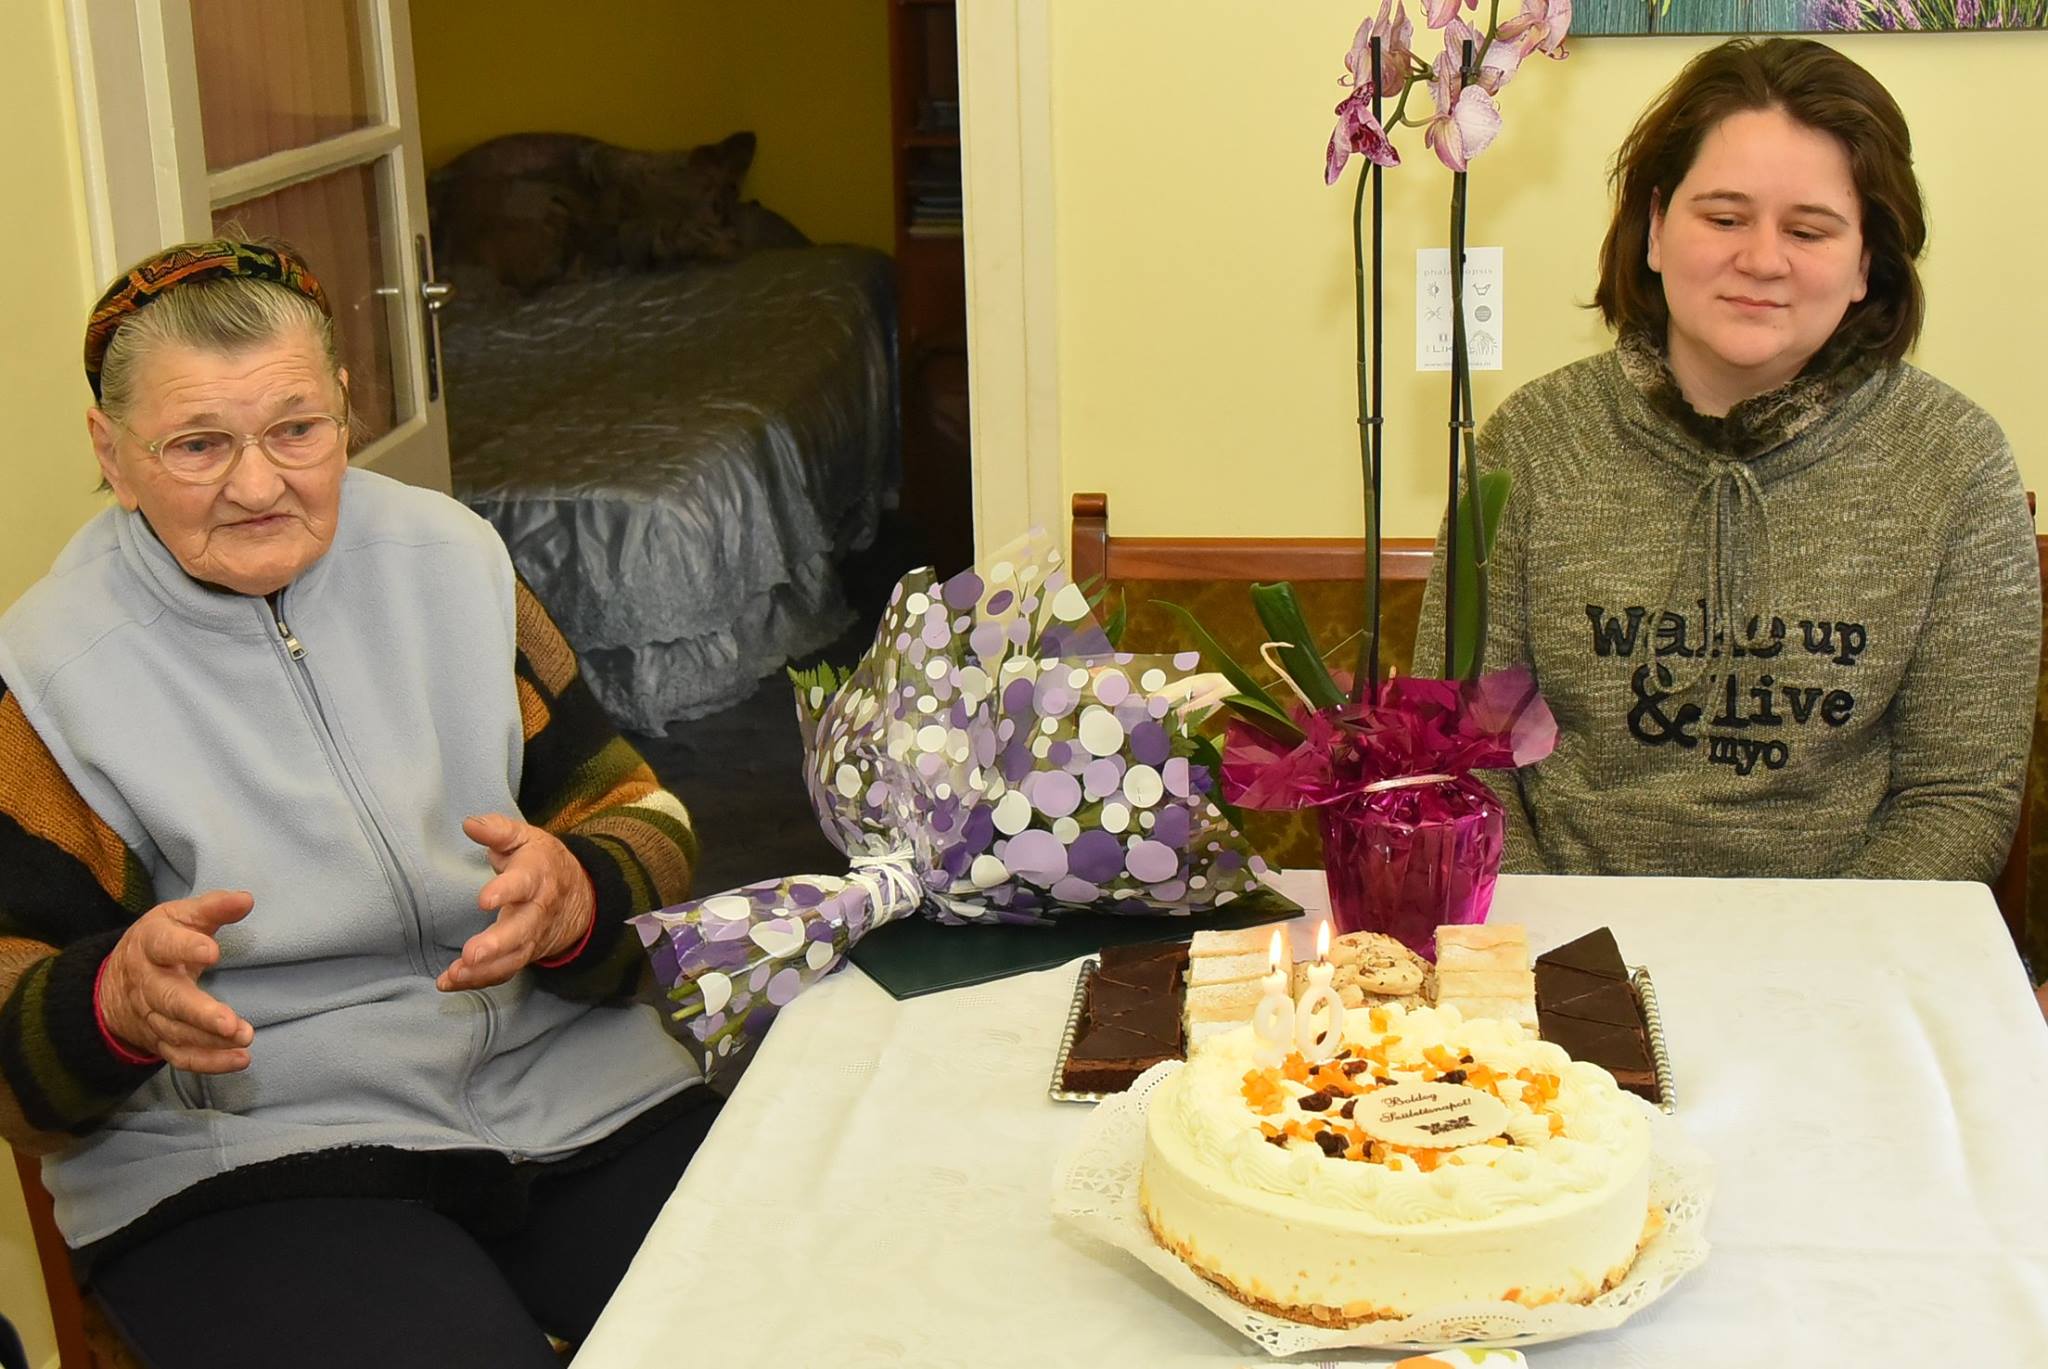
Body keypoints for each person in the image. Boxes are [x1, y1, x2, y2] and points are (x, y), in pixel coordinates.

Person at [0, 239, 711, 1368]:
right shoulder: (49, 674)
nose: (258, 485)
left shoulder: (453, 560)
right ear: (111, 453)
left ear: (344, 405)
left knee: (815, 1304)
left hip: (573, 1088)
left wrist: (578, 893)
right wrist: (112, 1003)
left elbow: (638, 811)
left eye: (296, 429)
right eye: (198, 444)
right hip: (255, 1158)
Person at [1417, 38, 2039, 886]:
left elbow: (1957, 797)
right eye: (1724, 218)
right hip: (1560, 938)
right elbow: (1461, 755)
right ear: (1654, 229)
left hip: (1847, 944)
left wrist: (1811, 952)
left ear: (1866, 263)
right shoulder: (1528, 443)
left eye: (1808, 230)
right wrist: (1551, 939)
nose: (1762, 260)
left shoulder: (1956, 463)